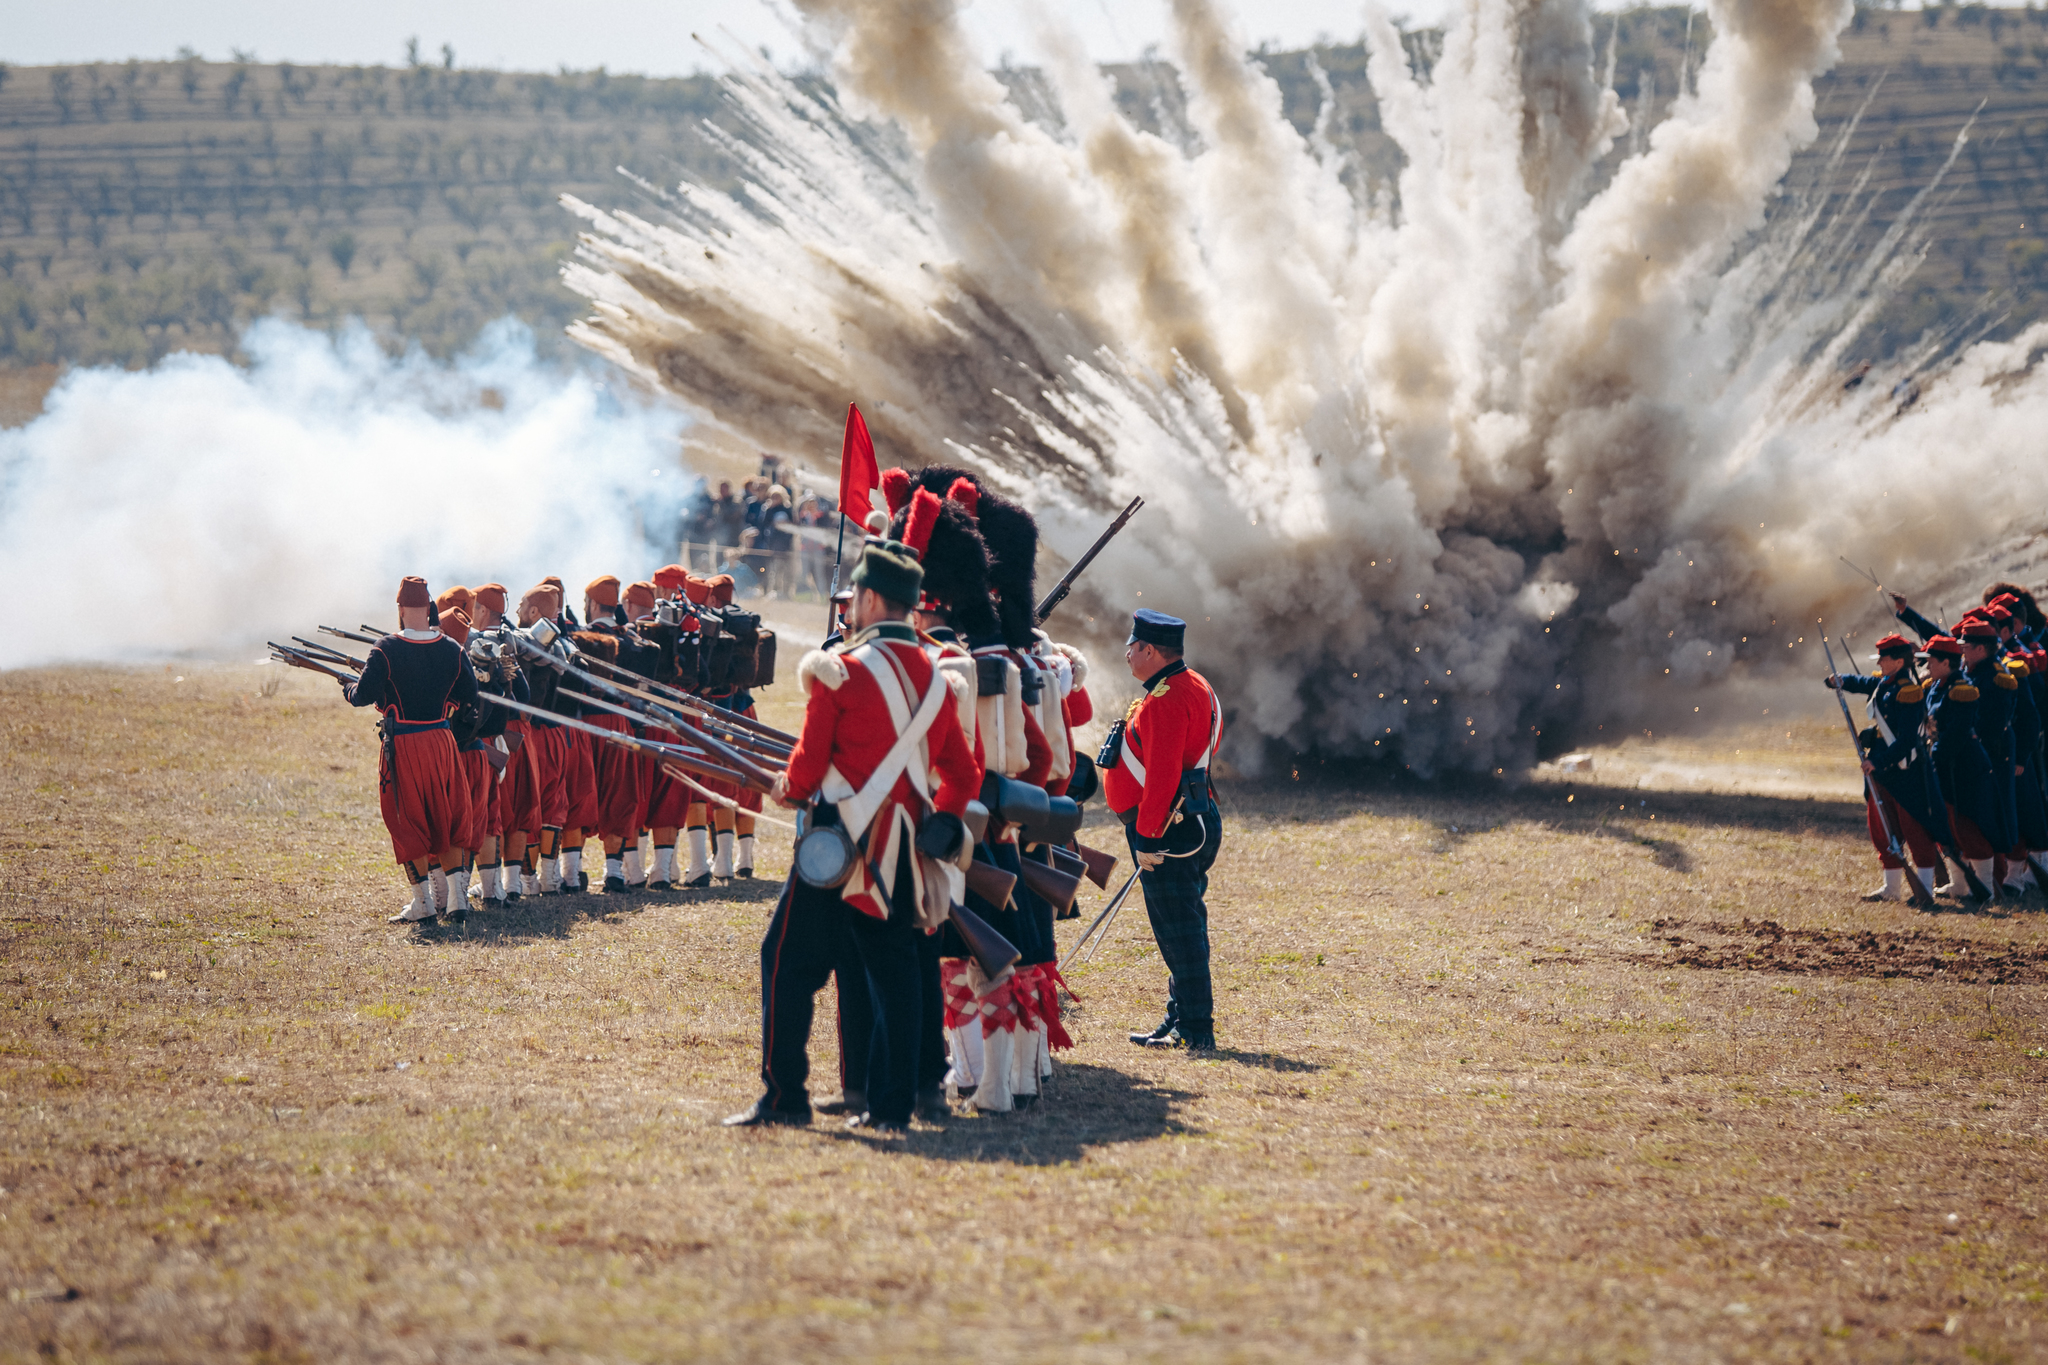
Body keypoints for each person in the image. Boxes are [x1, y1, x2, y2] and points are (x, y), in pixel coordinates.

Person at [725, 539, 978, 1132]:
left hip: (835, 848)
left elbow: (807, 775)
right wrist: (935, 825)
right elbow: (962, 777)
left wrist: (782, 785)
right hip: (902, 854)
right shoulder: (942, 682)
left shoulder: (839, 673)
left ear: (867, 598)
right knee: (896, 978)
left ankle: (786, 1097)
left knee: (785, 965)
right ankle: (893, 1109)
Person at [1101, 608, 1223, 1052]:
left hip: (1170, 832)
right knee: (1181, 926)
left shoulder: (1167, 697)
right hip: (1190, 822)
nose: (1128, 655)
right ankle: (1182, 1015)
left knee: (1179, 931)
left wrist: (1149, 837)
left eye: (1132, 647)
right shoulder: (1193, 684)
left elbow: (1163, 776)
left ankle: (1195, 1026)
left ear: (1150, 650)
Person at [343, 576, 479, 926]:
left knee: (406, 820)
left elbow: (363, 696)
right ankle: (457, 900)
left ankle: (422, 902)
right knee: (446, 817)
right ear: (430, 608)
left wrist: (347, 687)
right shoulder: (453, 648)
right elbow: (469, 696)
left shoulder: (385, 648)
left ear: (400, 610)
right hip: (441, 741)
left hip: (404, 744)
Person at [1823, 633, 1946, 902]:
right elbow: (1865, 682)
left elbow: (1906, 740)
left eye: (1883, 658)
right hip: (1881, 770)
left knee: (1914, 828)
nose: (1879, 662)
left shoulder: (1909, 692)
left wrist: (1877, 761)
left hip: (1903, 769)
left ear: (1898, 661)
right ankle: (1891, 888)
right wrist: (1839, 681)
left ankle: (1924, 888)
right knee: (1883, 827)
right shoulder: (1886, 684)